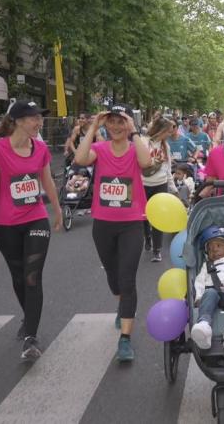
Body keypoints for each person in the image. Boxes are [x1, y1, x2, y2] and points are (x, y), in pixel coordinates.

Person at [0, 100, 62, 361]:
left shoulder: (40, 149)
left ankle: (31, 337)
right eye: (33, 118)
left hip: (35, 218)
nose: (39, 122)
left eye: (40, 117)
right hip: (5, 225)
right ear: (16, 121)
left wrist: (57, 209)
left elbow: (46, 180)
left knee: (32, 277)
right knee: (18, 276)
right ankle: (29, 316)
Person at [74, 103, 151, 362]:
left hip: (132, 223)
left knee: (127, 279)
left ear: (128, 124)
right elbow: (80, 159)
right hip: (103, 224)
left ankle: (126, 339)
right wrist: (93, 126)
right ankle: (122, 304)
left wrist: (135, 131)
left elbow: (146, 162)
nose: (116, 127)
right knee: (114, 277)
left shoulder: (134, 147)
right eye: (112, 121)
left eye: (122, 122)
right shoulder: (99, 149)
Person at [142, 117, 177, 262]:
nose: (170, 134)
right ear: (161, 130)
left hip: (160, 185)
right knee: (144, 217)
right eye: (168, 131)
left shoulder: (165, 146)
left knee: (158, 218)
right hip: (143, 184)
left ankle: (157, 250)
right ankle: (147, 237)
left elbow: (167, 169)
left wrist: (173, 188)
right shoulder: (143, 142)